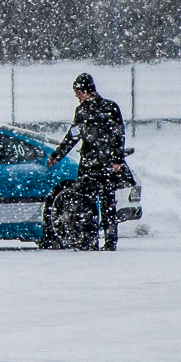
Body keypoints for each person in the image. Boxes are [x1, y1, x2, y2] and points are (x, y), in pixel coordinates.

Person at [46, 73, 128, 251]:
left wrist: (117, 159)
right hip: (90, 163)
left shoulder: (109, 108)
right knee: (87, 204)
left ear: (87, 90)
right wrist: (57, 155)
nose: (77, 96)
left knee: (107, 204)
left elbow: (118, 135)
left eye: (78, 92)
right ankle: (90, 241)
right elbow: (73, 136)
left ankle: (109, 242)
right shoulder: (82, 111)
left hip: (104, 163)